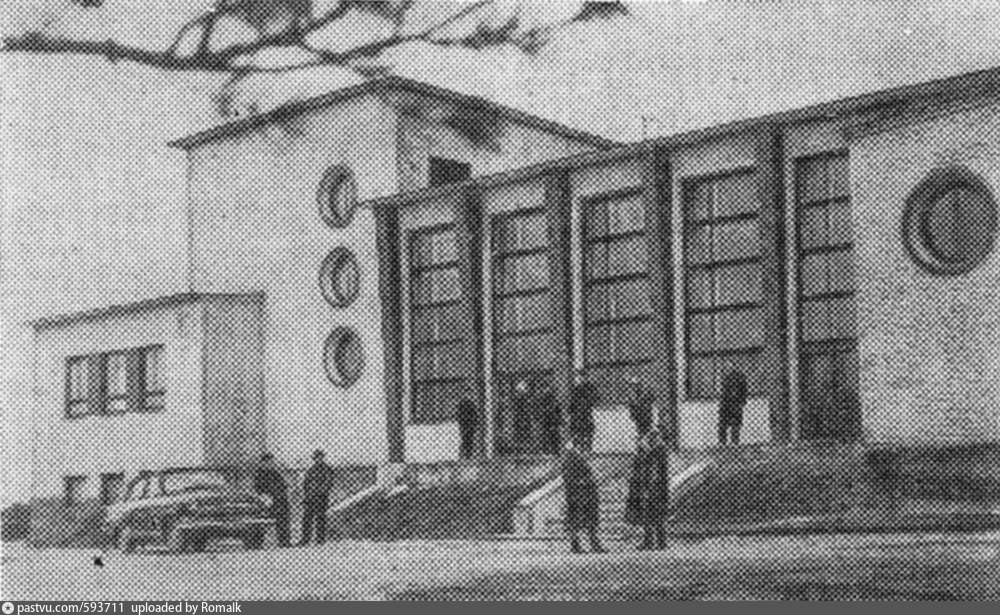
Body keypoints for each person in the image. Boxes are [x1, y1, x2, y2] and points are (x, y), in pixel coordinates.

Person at [561, 438, 606, 554]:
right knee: (576, 519)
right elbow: (568, 478)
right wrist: (584, 482)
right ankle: (576, 544)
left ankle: (593, 543)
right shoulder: (570, 458)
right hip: (578, 494)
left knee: (590, 519)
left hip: (586, 493)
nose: (585, 448)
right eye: (583, 445)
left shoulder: (579, 457)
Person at [638, 427, 671, 550]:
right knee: (656, 515)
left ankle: (651, 542)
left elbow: (654, 471)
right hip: (659, 488)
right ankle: (658, 542)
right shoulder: (659, 450)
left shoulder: (656, 451)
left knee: (652, 515)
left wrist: (649, 489)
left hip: (655, 489)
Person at [253, 453, 290, 547]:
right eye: (268, 462)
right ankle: (258, 541)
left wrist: (284, 493)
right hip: (269, 500)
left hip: (280, 499)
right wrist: (265, 498)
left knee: (283, 519)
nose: (271, 463)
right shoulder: (260, 473)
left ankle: (284, 541)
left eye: (271, 461)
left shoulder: (275, 472)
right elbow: (258, 488)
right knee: (262, 520)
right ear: (263, 462)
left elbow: (283, 484)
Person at [300, 449, 335, 546]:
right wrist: (307, 494)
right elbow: (306, 483)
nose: (317, 459)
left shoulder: (327, 469)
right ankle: (305, 539)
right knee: (307, 518)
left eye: (319, 457)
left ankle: (320, 539)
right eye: (316, 457)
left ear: (322, 458)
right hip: (310, 498)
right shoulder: (311, 470)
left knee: (320, 518)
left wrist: (318, 492)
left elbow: (328, 483)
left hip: (321, 497)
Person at [569, 373, 598, 452]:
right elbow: (572, 401)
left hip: (584, 411)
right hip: (578, 412)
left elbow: (595, 398)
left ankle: (585, 445)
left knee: (586, 428)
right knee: (578, 428)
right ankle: (579, 445)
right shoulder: (576, 388)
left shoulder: (588, 387)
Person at [718, 368, 748, 446]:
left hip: (729, 404)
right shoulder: (740, 378)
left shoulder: (730, 378)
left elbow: (744, 392)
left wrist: (742, 401)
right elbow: (744, 392)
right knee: (731, 423)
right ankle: (731, 441)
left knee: (727, 423)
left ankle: (725, 441)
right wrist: (742, 402)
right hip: (731, 404)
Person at [537, 381, 562, 456]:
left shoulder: (554, 399)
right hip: (547, 419)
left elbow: (558, 409)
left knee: (553, 434)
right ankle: (547, 451)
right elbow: (541, 408)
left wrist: (559, 418)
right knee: (547, 434)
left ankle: (554, 450)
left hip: (552, 419)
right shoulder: (545, 398)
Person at [456, 391, 479, 459]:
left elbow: (475, 415)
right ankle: (465, 454)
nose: (468, 395)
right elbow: (459, 414)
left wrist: (475, 422)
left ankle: (466, 454)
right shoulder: (465, 404)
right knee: (466, 439)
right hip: (466, 424)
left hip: (468, 424)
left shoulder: (469, 404)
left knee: (468, 439)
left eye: (469, 394)